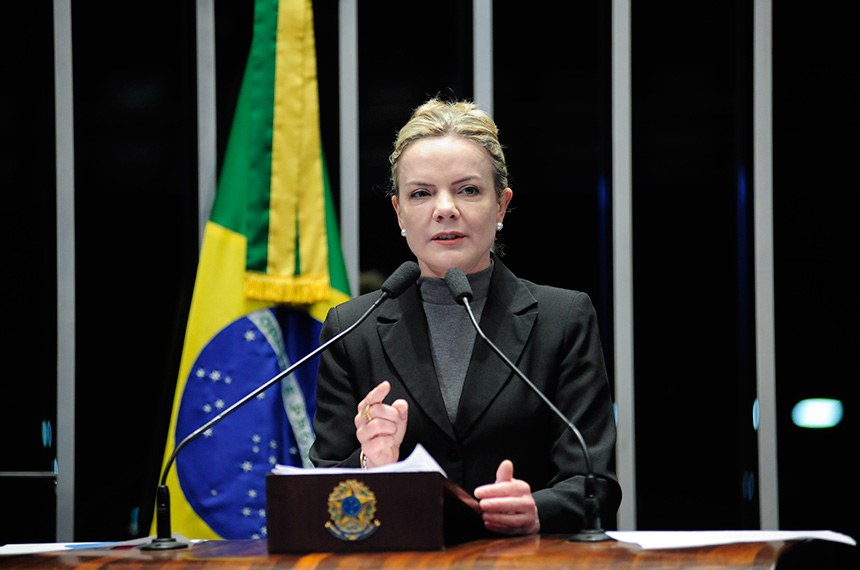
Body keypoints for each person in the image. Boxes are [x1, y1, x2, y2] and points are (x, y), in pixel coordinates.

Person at [309, 97, 621, 535]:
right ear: (399, 213)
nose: (445, 208)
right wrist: (371, 462)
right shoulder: (352, 329)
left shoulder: (562, 319)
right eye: (421, 193)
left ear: (501, 206)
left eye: (468, 190)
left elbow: (595, 482)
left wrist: (537, 508)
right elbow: (321, 494)